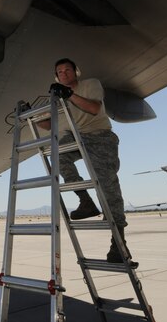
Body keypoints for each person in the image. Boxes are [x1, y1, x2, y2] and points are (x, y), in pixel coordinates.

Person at [38, 58, 135, 265]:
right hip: (75, 137)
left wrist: (69, 94)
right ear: (56, 77)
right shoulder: (59, 98)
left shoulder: (90, 84)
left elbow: (93, 108)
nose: (63, 74)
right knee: (58, 156)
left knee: (107, 186)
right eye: (59, 72)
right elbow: (48, 125)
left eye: (67, 70)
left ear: (76, 72)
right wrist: (31, 116)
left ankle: (119, 243)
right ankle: (86, 201)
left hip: (99, 136)